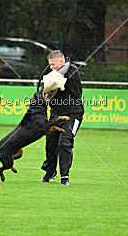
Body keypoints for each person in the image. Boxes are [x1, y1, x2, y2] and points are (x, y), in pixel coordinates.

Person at [40, 50, 84, 185]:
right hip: (56, 115)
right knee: (50, 145)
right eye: (50, 65)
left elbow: (76, 93)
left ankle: (65, 176)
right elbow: (43, 92)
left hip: (73, 114)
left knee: (64, 142)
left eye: (53, 64)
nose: (52, 67)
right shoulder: (51, 75)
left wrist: (57, 84)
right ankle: (50, 171)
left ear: (62, 61)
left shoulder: (73, 71)